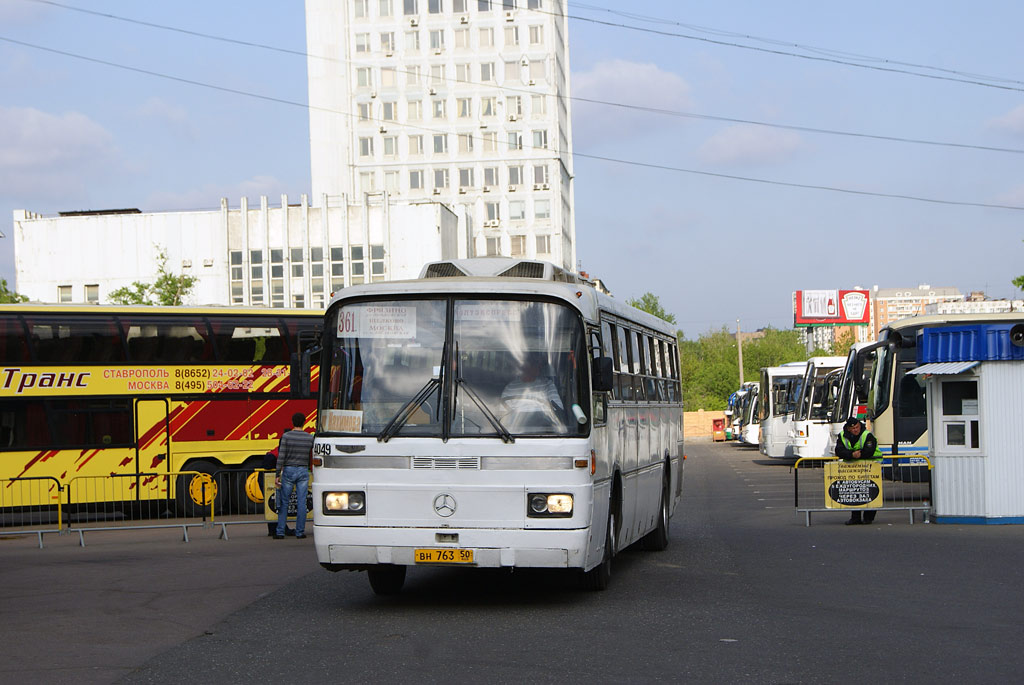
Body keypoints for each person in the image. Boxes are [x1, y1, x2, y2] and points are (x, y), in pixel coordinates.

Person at [835, 416, 883, 525]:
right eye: (853, 428)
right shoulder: (842, 436)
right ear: (848, 429)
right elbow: (839, 450)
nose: (856, 430)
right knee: (855, 491)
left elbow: (870, 450)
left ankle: (868, 518)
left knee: (871, 490)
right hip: (854, 469)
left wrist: (858, 455)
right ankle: (855, 517)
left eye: (857, 427)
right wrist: (851, 454)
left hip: (871, 467)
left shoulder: (867, 435)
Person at [274, 412, 314, 540]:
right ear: (304, 422)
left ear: (292, 422)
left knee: (284, 502)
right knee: (302, 502)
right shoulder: (309, 438)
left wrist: (277, 473)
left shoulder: (286, 436)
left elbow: (281, 456)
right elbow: (311, 456)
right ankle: (299, 532)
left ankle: (280, 532)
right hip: (303, 470)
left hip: (289, 470)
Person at [262, 445, 293, 537]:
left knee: (273, 504)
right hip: (267, 480)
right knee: (274, 504)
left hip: (268, 479)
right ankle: (277, 528)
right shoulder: (275, 454)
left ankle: (273, 529)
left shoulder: (280, 450)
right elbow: (267, 466)